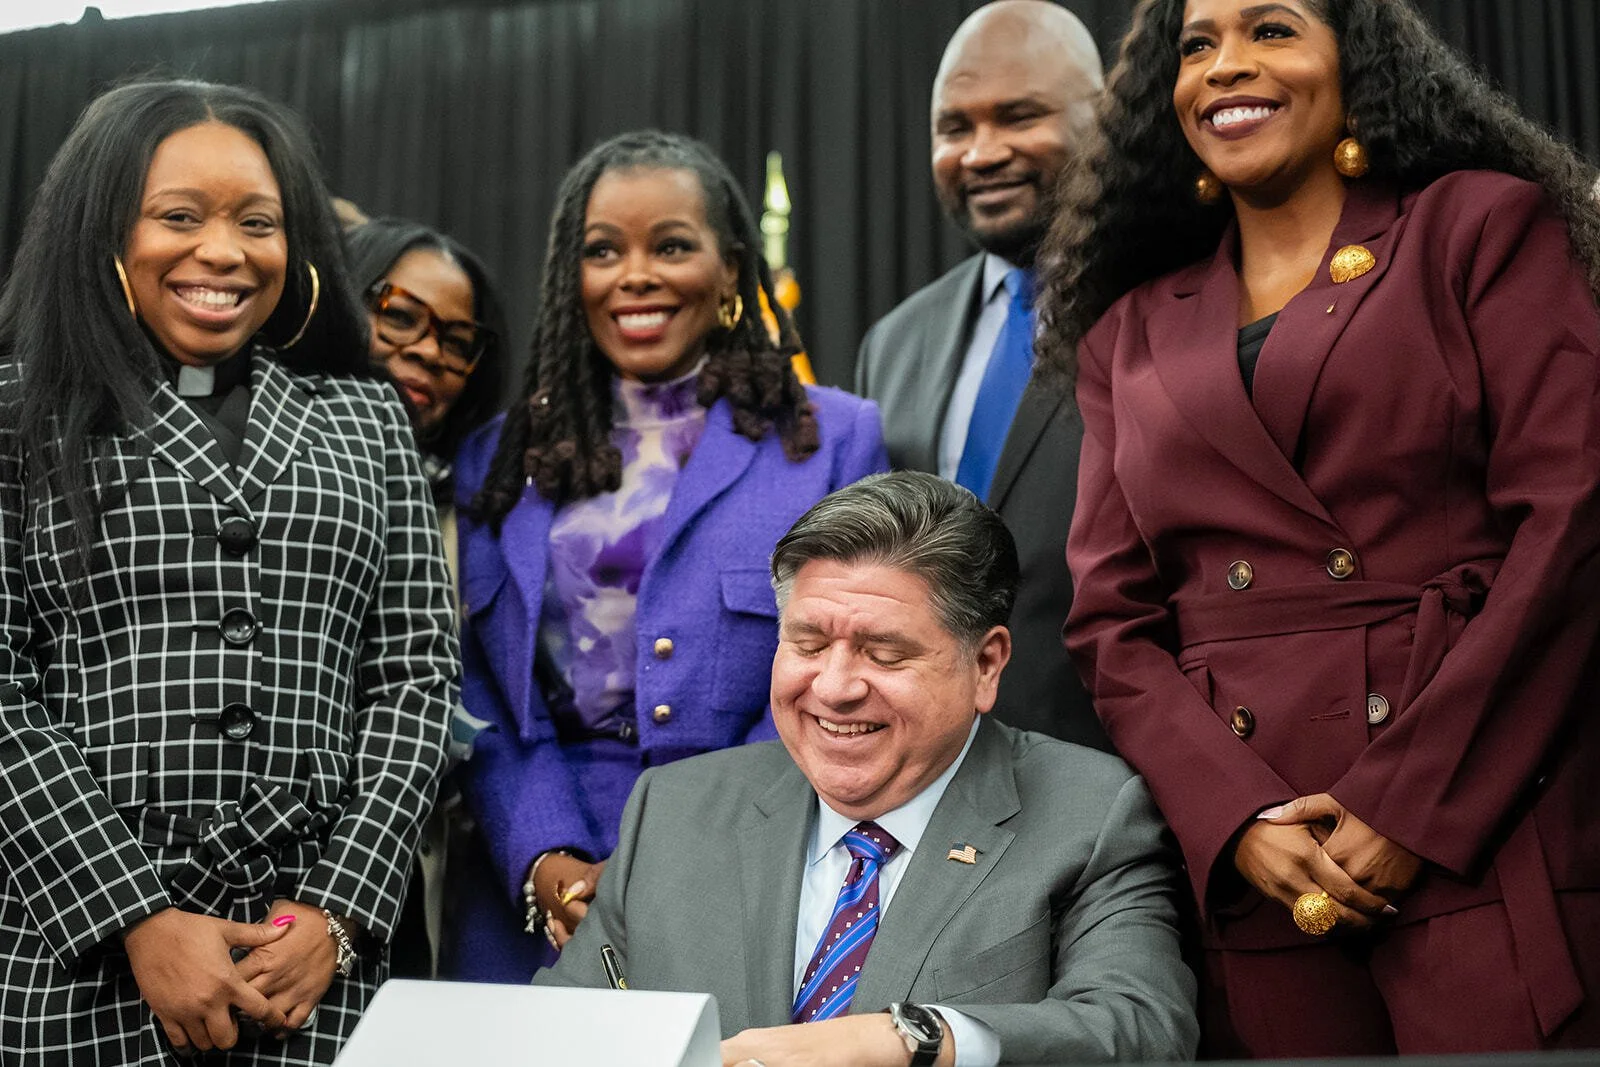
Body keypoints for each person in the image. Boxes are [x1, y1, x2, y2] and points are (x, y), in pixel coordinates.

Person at [1046, 0, 1600, 1055]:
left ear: (1360, 65)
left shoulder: (1479, 227)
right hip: (1263, 864)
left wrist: (1409, 802)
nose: (1223, 66)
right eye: (1196, 45)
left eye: (1271, 30)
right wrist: (1236, 817)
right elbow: (1108, 622)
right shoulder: (1126, 326)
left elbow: (1570, 528)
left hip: (1478, 819)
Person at [0, 80, 458, 1064]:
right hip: (77, 954)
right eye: (177, 216)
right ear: (104, 232)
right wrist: (134, 914)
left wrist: (340, 905)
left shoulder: (366, 417)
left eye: (258, 222)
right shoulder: (18, 414)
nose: (222, 251)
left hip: (309, 965)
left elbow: (414, 670)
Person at [538, 471, 1197, 1065]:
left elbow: (1140, 1032)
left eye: (884, 654)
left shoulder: (1090, 813)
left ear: (987, 664)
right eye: (809, 643)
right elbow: (561, 1035)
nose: (834, 686)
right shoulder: (673, 809)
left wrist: (911, 1037)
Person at [454, 130, 888, 983]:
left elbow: (847, 672)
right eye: (603, 250)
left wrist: (676, 855)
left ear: (730, 269)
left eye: (672, 246)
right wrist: (544, 854)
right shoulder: (495, 456)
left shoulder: (835, 440)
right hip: (530, 892)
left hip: (747, 865)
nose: (635, 274)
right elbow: (477, 693)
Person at [855, 0, 1107, 749]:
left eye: (1019, 117)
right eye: (954, 128)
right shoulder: (894, 342)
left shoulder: (1168, 304)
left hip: (1116, 790)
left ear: (1100, 119)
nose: (981, 152)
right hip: (923, 778)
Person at [345, 217, 510, 980]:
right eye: (401, 314)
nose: (428, 351)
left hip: (404, 865)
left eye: (457, 339)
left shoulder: (477, 512)